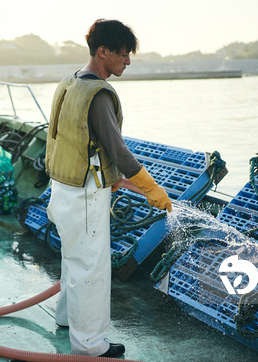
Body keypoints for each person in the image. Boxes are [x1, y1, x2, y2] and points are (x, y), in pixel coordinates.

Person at [45, 18, 172, 358]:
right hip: (84, 197)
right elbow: (118, 151)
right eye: (123, 53)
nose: (127, 61)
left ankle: (66, 320)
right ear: (103, 52)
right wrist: (150, 187)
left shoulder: (69, 82)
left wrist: (112, 178)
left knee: (73, 259)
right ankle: (90, 345)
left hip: (62, 189)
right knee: (91, 269)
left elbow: (74, 138)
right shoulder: (99, 94)